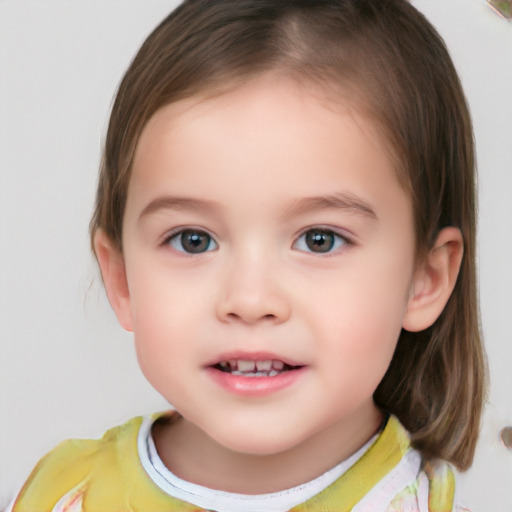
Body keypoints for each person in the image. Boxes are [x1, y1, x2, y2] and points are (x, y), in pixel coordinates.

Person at [8, 1, 486, 510]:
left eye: (319, 239)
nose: (250, 299)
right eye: (193, 240)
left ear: (425, 279)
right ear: (122, 279)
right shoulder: (66, 493)